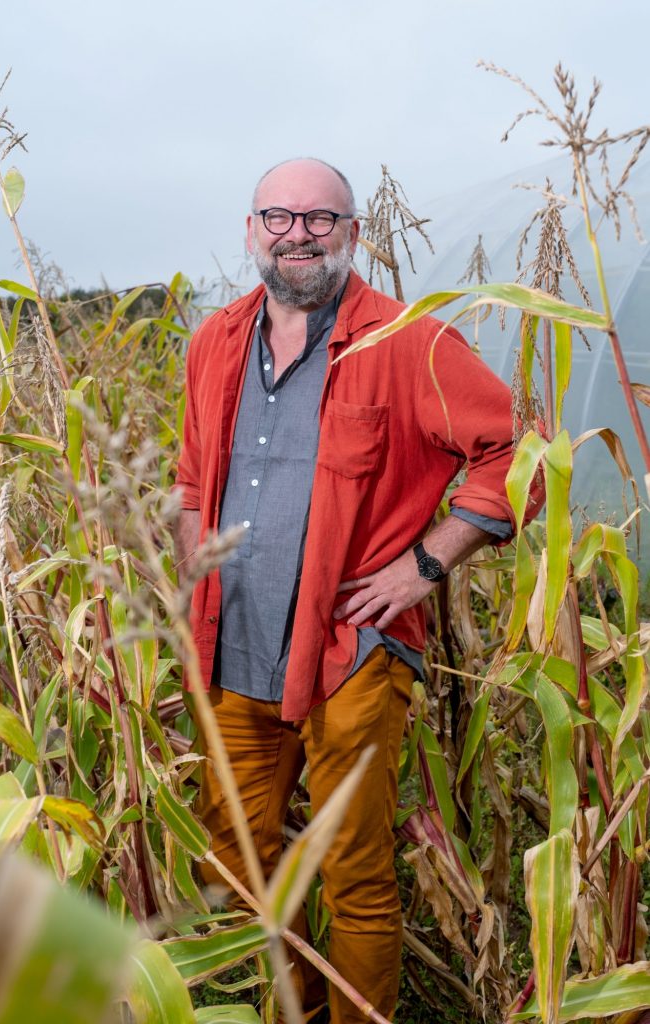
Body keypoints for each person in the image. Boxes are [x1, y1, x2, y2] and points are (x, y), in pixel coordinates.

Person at [173, 158, 540, 1024]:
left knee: (355, 871)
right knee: (236, 859)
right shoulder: (215, 340)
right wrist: (195, 573)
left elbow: (515, 449)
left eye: (320, 218)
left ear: (353, 233)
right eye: (279, 216)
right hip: (231, 648)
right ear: (251, 230)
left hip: (350, 655)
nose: (298, 232)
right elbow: (192, 480)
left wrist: (425, 564)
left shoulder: (404, 340)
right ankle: (295, 1009)